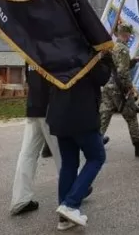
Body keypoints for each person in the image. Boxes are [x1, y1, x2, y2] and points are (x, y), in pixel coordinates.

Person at [46, 53, 112, 230]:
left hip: (59, 114)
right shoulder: (86, 51)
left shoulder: (57, 47)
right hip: (81, 115)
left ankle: (64, 217)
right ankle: (71, 203)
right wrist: (106, 56)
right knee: (97, 157)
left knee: (69, 164)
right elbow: (102, 77)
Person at [10, 65, 62, 216]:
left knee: (27, 154)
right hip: (50, 108)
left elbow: (28, 76)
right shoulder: (51, 48)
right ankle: (76, 191)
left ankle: (20, 200)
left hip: (33, 106)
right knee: (63, 153)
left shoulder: (30, 47)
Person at [99, 24, 139, 157]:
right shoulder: (123, 49)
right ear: (126, 34)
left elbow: (115, 65)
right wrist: (128, 87)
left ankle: (95, 142)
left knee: (105, 115)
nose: (130, 37)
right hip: (119, 88)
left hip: (108, 85)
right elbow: (122, 71)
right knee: (131, 117)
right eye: (129, 34)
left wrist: (132, 62)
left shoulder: (111, 46)